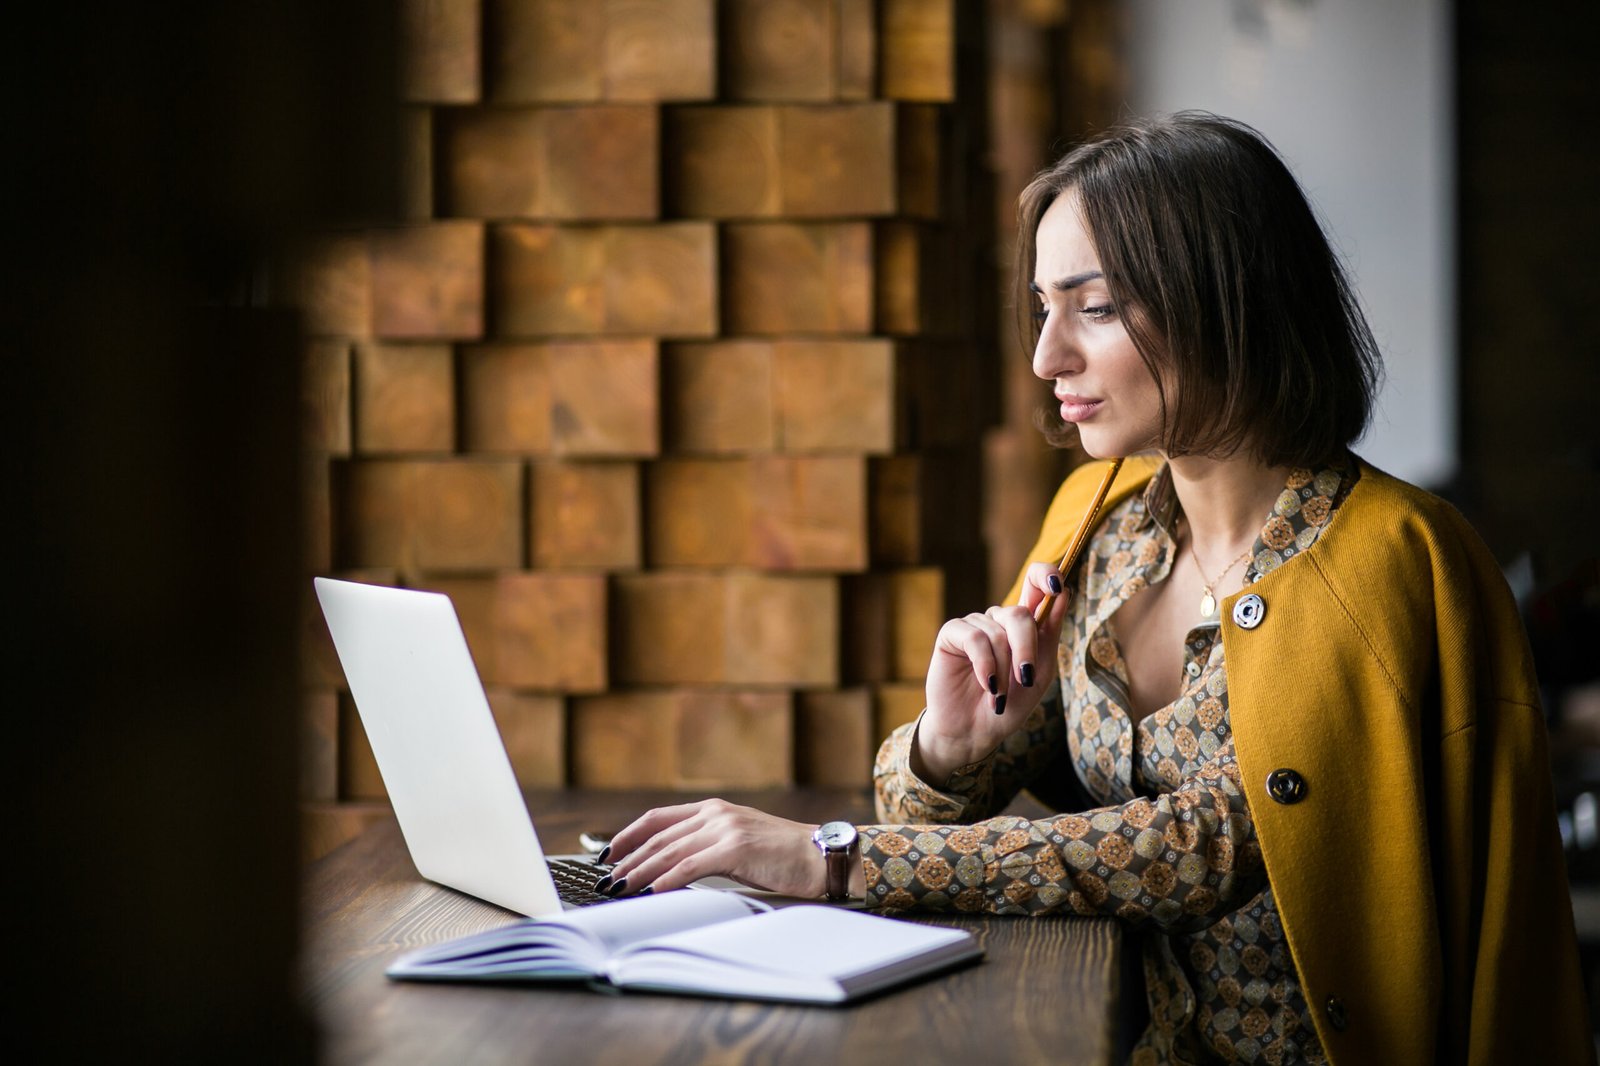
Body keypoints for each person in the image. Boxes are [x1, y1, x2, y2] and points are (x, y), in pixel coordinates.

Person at [601, 113, 1591, 1064]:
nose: (1046, 357)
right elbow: (934, 818)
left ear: (1224, 298)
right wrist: (954, 747)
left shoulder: (1388, 558)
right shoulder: (1098, 520)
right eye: (1042, 308)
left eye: (1095, 307)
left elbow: (1201, 843)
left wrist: (831, 855)